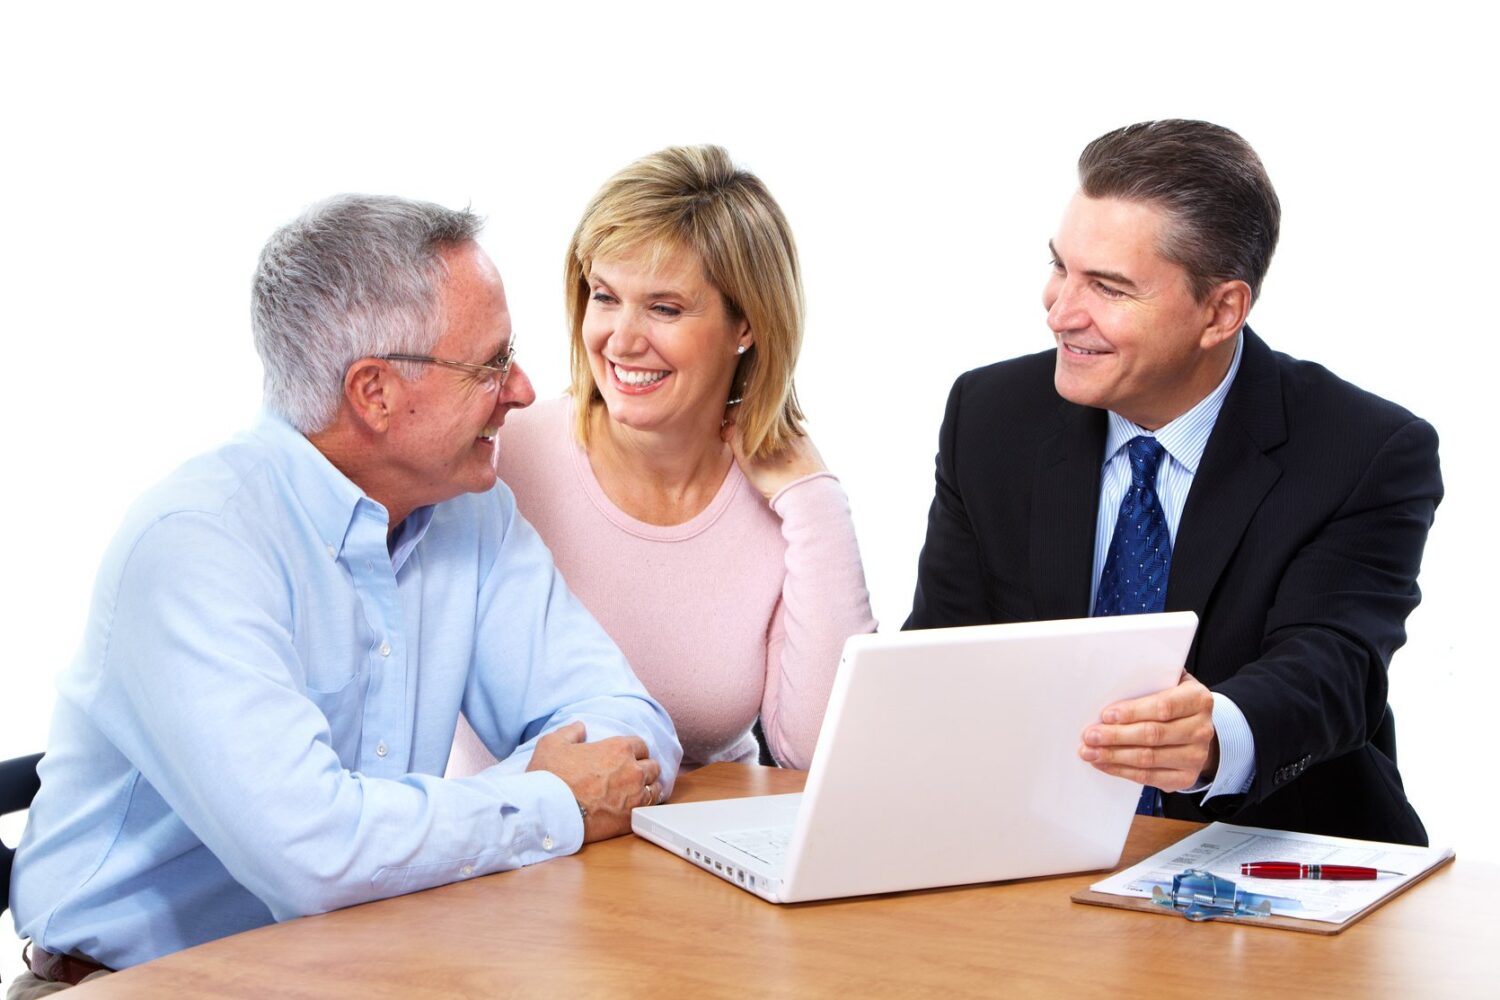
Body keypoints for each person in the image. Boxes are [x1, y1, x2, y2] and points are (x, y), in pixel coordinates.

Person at [7, 195, 681, 994]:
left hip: (368, 970)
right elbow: (316, 861)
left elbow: (629, 728)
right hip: (134, 984)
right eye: (491, 364)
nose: (524, 390)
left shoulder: (470, 507)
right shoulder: (195, 545)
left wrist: (427, 826)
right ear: (375, 394)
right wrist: (548, 799)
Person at [906, 120, 1440, 845]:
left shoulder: (1365, 451)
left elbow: (1332, 665)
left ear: (1221, 311)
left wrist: (1217, 734)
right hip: (1034, 850)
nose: (1061, 311)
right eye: (1061, 266)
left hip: (1277, 855)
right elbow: (943, 654)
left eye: (1109, 287)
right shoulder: (991, 416)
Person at [450, 146, 875, 774]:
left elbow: (816, 753)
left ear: (746, 325)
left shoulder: (786, 504)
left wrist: (815, 500)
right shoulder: (503, 462)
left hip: (698, 855)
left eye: (665, 308)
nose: (621, 340)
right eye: (604, 296)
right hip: (516, 852)